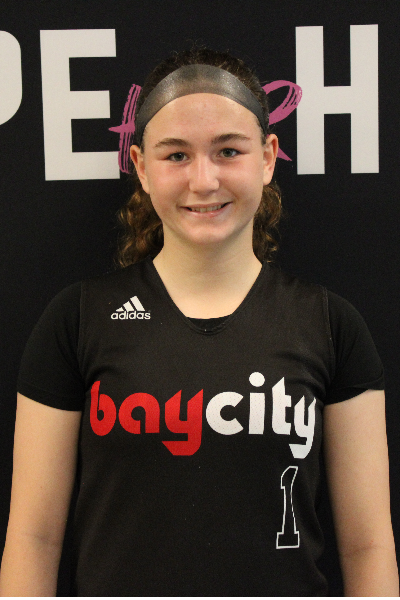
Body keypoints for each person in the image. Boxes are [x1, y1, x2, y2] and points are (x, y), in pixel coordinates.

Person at [0, 47, 398, 597]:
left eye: (228, 151)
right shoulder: (78, 319)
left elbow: (368, 546)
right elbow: (34, 538)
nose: (204, 180)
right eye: (176, 155)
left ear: (267, 157)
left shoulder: (332, 325)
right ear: (141, 167)